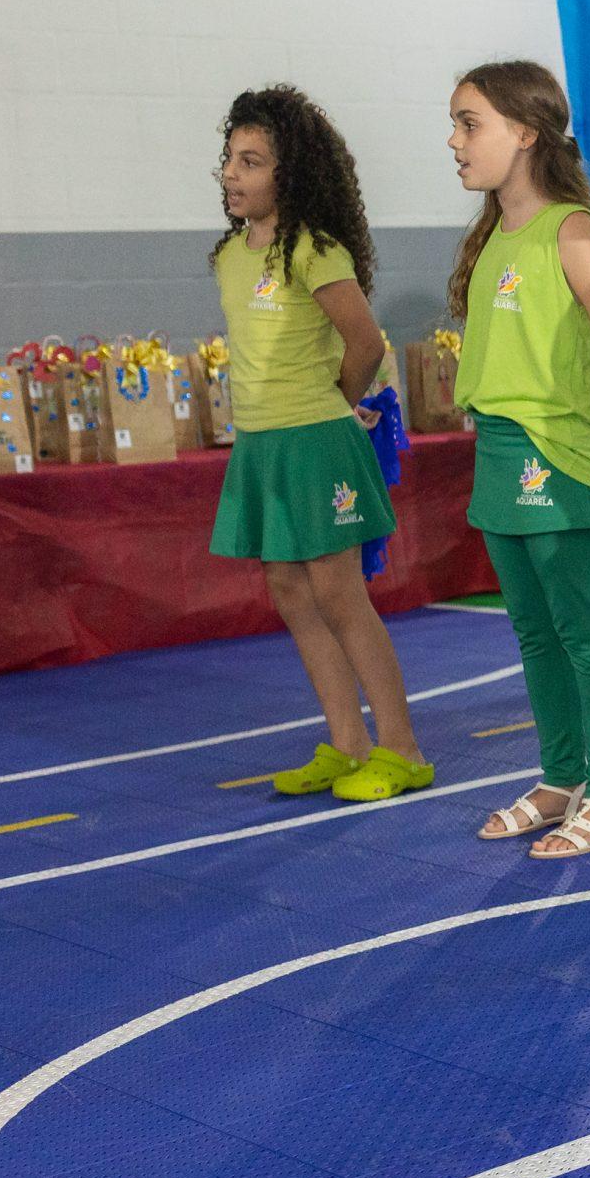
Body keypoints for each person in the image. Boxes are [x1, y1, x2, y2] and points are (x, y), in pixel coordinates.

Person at [446, 61, 590, 859]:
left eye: (470, 124)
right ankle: (563, 777)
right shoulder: (494, 234)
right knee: (534, 633)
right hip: (498, 451)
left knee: (580, 629)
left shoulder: (572, 231)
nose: (455, 141)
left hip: (557, 456)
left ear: (525, 132)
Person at [206, 87, 431, 804]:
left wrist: (333, 402)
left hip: (317, 441)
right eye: (229, 158)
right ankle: (347, 743)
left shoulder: (313, 249)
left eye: (251, 161)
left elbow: (366, 342)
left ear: (291, 172)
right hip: (262, 444)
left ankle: (402, 749)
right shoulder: (230, 256)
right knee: (289, 589)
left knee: (338, 593)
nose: (232, 173)